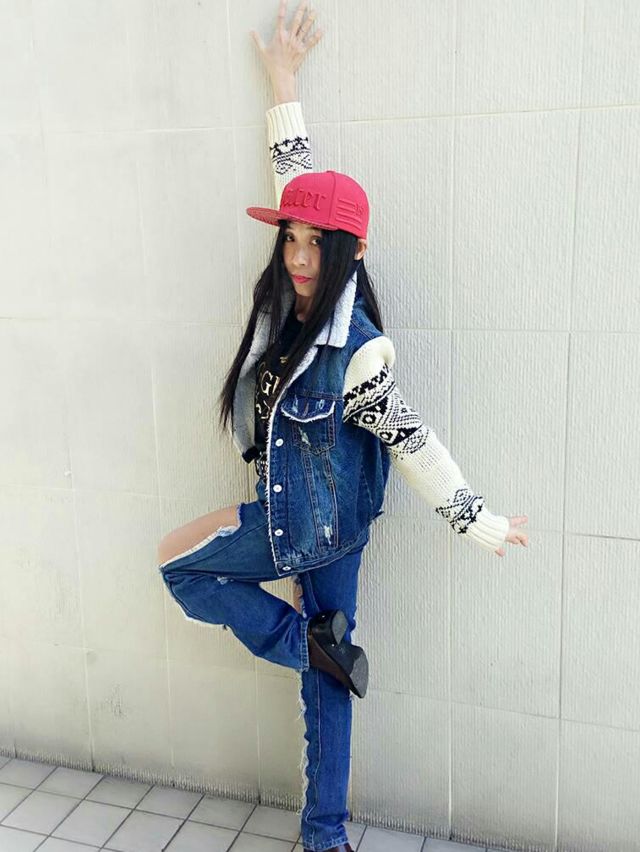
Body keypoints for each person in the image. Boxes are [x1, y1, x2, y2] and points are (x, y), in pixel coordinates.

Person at [156, 3, 529, 851]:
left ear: (352, 252)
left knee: (183, 572)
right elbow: (299, 180)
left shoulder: (358, 352)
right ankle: (324, 815)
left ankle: (309, 666)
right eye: (291, 238)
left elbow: (412, 440)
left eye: (316, 245)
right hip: (314, 518)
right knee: (314, 667)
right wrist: (283, 83)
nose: (297, 256)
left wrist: (477, 518)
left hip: (310, 528)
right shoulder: (291, 298)